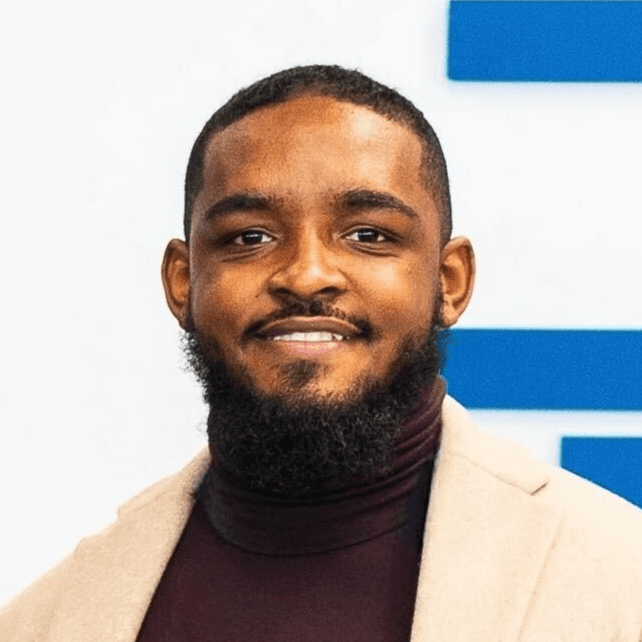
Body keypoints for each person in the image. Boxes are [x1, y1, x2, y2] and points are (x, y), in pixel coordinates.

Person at [2, 64, 642, 642]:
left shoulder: (619, 576)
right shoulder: (48, 619)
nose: (307, 275)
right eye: (250, 237)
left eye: (368, 234)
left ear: (449, 282)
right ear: (183, 282)